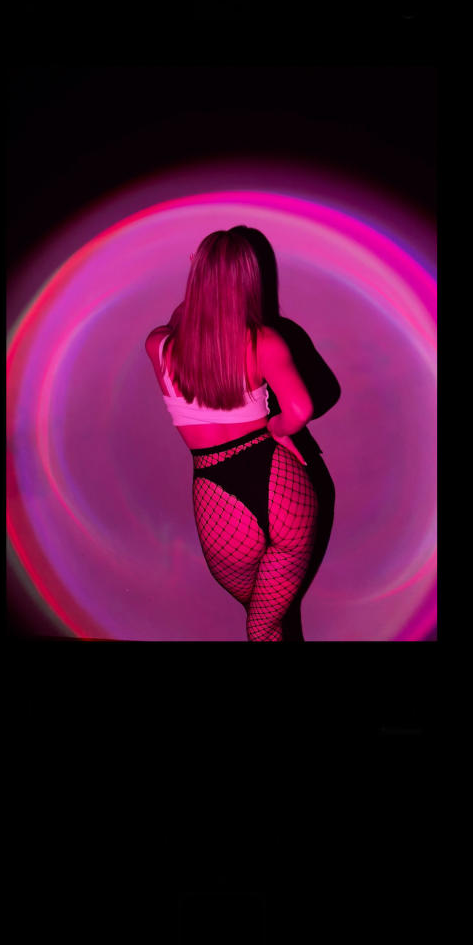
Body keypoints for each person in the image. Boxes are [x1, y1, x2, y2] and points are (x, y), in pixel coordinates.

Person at [145, 228, 320, 642]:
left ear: (196, 273)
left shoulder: (159, 345)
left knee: (261, 624)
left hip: (219, 496)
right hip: (280, 482)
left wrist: (203, 278)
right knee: (269, 621)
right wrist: (276, 428)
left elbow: (184, 320)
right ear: (250, 279)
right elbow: (299, 410)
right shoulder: (264, 341)